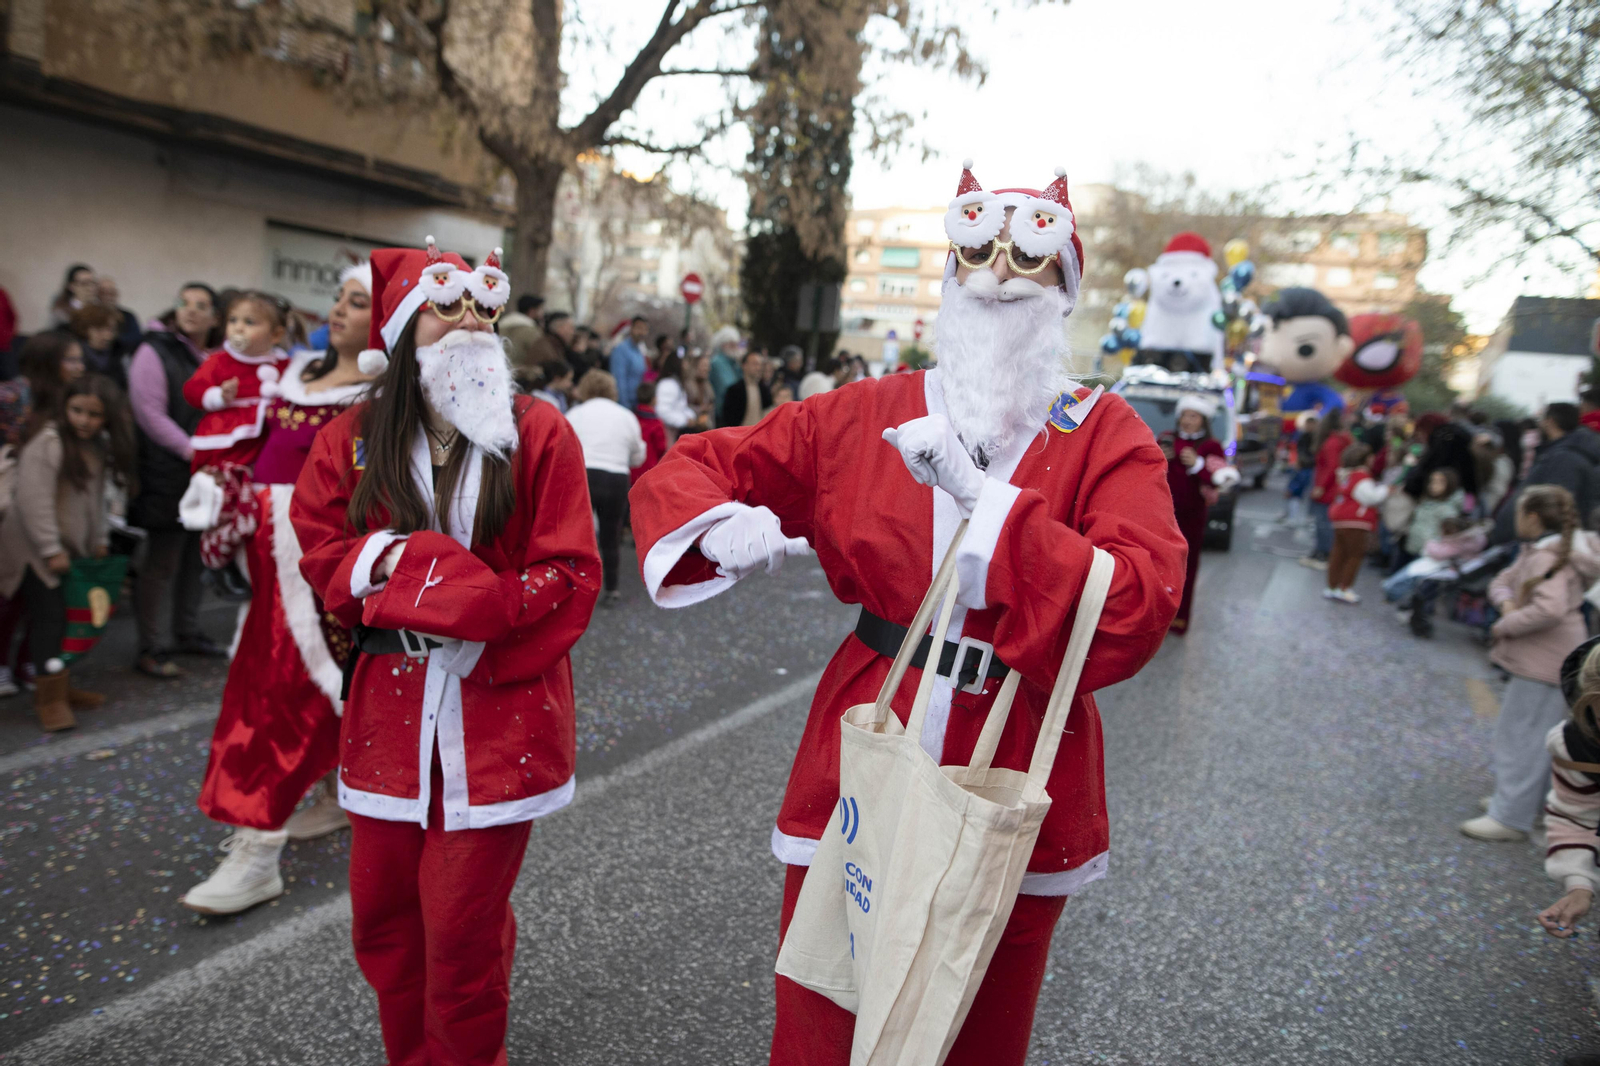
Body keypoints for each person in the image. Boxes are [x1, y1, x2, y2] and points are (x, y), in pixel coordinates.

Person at [630, 160, 1187, 1065]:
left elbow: (1137, 602)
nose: (1001, 274)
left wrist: (991, 511)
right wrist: (717, 519)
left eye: (1030, 259)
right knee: (822, 1021)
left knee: (970, 1036)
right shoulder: (863, 413)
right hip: (866, 733)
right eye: (978, 253)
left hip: (1017, 748)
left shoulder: (1106, 433)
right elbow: (696, 463)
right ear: (950, 277)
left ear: (1066, 287)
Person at [290, 241, 600, 1066]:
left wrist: (451, 593)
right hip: (386, 715)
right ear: (400, 326)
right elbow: (322, 550)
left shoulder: (539, 432)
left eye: (483, 307)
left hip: (498, 715)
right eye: (446, 304)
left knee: (461, 936)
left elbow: (569, 574)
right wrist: (410, 569)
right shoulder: (352, 439)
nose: (470, 320)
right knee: (385, 927)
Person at [183, 264, 376, 916]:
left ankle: (257, 850)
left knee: (282, 698)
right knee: (276, 686)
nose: (340, 310)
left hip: (319, 562)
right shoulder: (297, 372)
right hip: (268, 556)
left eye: (359, 302)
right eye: (339, 298)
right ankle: (336, 793)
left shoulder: (385, 395)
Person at [1464, 485, 1600, 842]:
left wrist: (1505, 623)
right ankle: (1521, 805)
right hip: (1553, 659)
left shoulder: (1545, 556)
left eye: (1520, 512)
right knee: (1536, 738)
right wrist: (1508, 604)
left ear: (1533, 517)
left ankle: (1511, 816)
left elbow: (1549, 609)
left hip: (1544, 661)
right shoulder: (1545, 551)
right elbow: (1503, 582)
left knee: (1520, 738)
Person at [0, 375, 136, 730]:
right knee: (48, 621)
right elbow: (33, 501)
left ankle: (60, 686)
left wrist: (100, 537)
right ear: (64, 407)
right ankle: (50, 701)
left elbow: (95, 499)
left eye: (94, 414)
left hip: (66, 547)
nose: (84, 420)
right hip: (33, 548)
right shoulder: (50, 442)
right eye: (77, 410)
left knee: (64, 620)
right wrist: (49, 549)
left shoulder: (94, 445)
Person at [128, 282, 224, 678]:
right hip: (168, 470)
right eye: (185, 302)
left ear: (214, 317)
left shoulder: (216, 357)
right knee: (162, 560)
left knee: (196, 558)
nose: (191, 310)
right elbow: (149, 413)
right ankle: (150, 646)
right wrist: (193, 451)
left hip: (207, 472)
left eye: (202, 305)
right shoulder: (155, 349)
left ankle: (187, 631)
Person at [181, 291, 295, 474]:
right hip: (224, 444)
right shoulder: (218, 361)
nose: (238, 328)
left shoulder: (286, 366)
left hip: (266, 446)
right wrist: (218, 396)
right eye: (233, 320)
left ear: (275, 335)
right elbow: (192, 390)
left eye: (249, 322)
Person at [567, 370, 644, 608]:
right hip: (616, 477)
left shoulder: (574, 414)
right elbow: (638, 455)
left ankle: (576, 586)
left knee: (578, 535)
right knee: (611, 536)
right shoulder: (625, 415)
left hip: (584, 474)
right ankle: (611, 588)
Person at [1161, 394, 1229, 634]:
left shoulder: (1211, 446)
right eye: (1185, 415)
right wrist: (1160, 457)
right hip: (1161, 514)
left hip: (1192, 516)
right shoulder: (1167, 439)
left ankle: (1180, 618)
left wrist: (1198, 464)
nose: (1188, 421)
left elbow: (1222, 480)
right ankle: (1153, 616)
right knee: (1157, 564)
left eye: (1194, 416)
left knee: (1185, 568)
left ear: (1203, 420)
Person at [1324, 442, 1388, 604]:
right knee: (1354, 556)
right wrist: (1386, 489)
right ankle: (1345, 588)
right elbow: (1371, 498)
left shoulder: (1346, 475)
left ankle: (1332, 586)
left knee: (1338, 554)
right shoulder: (1362, 477)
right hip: (1356, 521)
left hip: (1340, 520)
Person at [1301, 406, 1352, 569]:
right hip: (1334, 488)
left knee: (1322, 522)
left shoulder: (1331, 443)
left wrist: (1320, 487)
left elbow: (1331, 467)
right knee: (1324, 522)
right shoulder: (1341, 440)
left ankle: (1324, 554)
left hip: (1327, 489)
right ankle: (1322, 552)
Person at [67, 303, 125, 386]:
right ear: (85, 329)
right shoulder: (74, 356)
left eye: (112, 330)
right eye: (99, 330)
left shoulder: (118, 353)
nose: (108, 336)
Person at [719, 350, 775, 428]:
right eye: (755, 364)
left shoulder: (764, 389)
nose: (758, 368)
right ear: (744, 365)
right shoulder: (734, 390)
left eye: (760, 365)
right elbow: (728, 418)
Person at [97, 277, 145, 365]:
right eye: (104, 293)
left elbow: (136, 339)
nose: (109, 297)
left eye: (112, 293)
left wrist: (115, 340)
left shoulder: (128, 316)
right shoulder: (92, 317)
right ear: (97, 295)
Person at [499, 293, 544, 385]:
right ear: (532, 311)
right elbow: (541, 355)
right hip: (520, 377)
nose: (542, 313)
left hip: (498, 372)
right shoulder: (532, 331)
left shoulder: (501, 325)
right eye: (540, 310)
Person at [653, 350, 701, 436]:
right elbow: (663, 412)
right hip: (668, 434)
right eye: (684, 362)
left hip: (676, 431)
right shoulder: (667, 385)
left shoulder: (677, 384)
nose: (687, 366)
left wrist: (691, 416)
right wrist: (685, 421)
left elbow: (681, 407)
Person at [609, 316, 650, 414]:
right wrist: (625, 408)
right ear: (631, 328)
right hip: (625, 407)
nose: (642, 332)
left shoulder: (639, 351)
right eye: (639, 328)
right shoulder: (621, 350)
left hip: (637, 405)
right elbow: (619, 381)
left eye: (645, 329)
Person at [632, 381, 669, 484]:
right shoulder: (657, 423)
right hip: (649, 469)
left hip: (632, 469)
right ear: (654, 399)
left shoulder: (632, 418)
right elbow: (661, 447)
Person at [707, 325, 743, 419]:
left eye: (736, 344)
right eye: (732, 344)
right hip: (722, 411)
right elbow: (727, 386)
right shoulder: (717, 362)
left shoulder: (734, 363)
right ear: (723, 345)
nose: (735, 347)